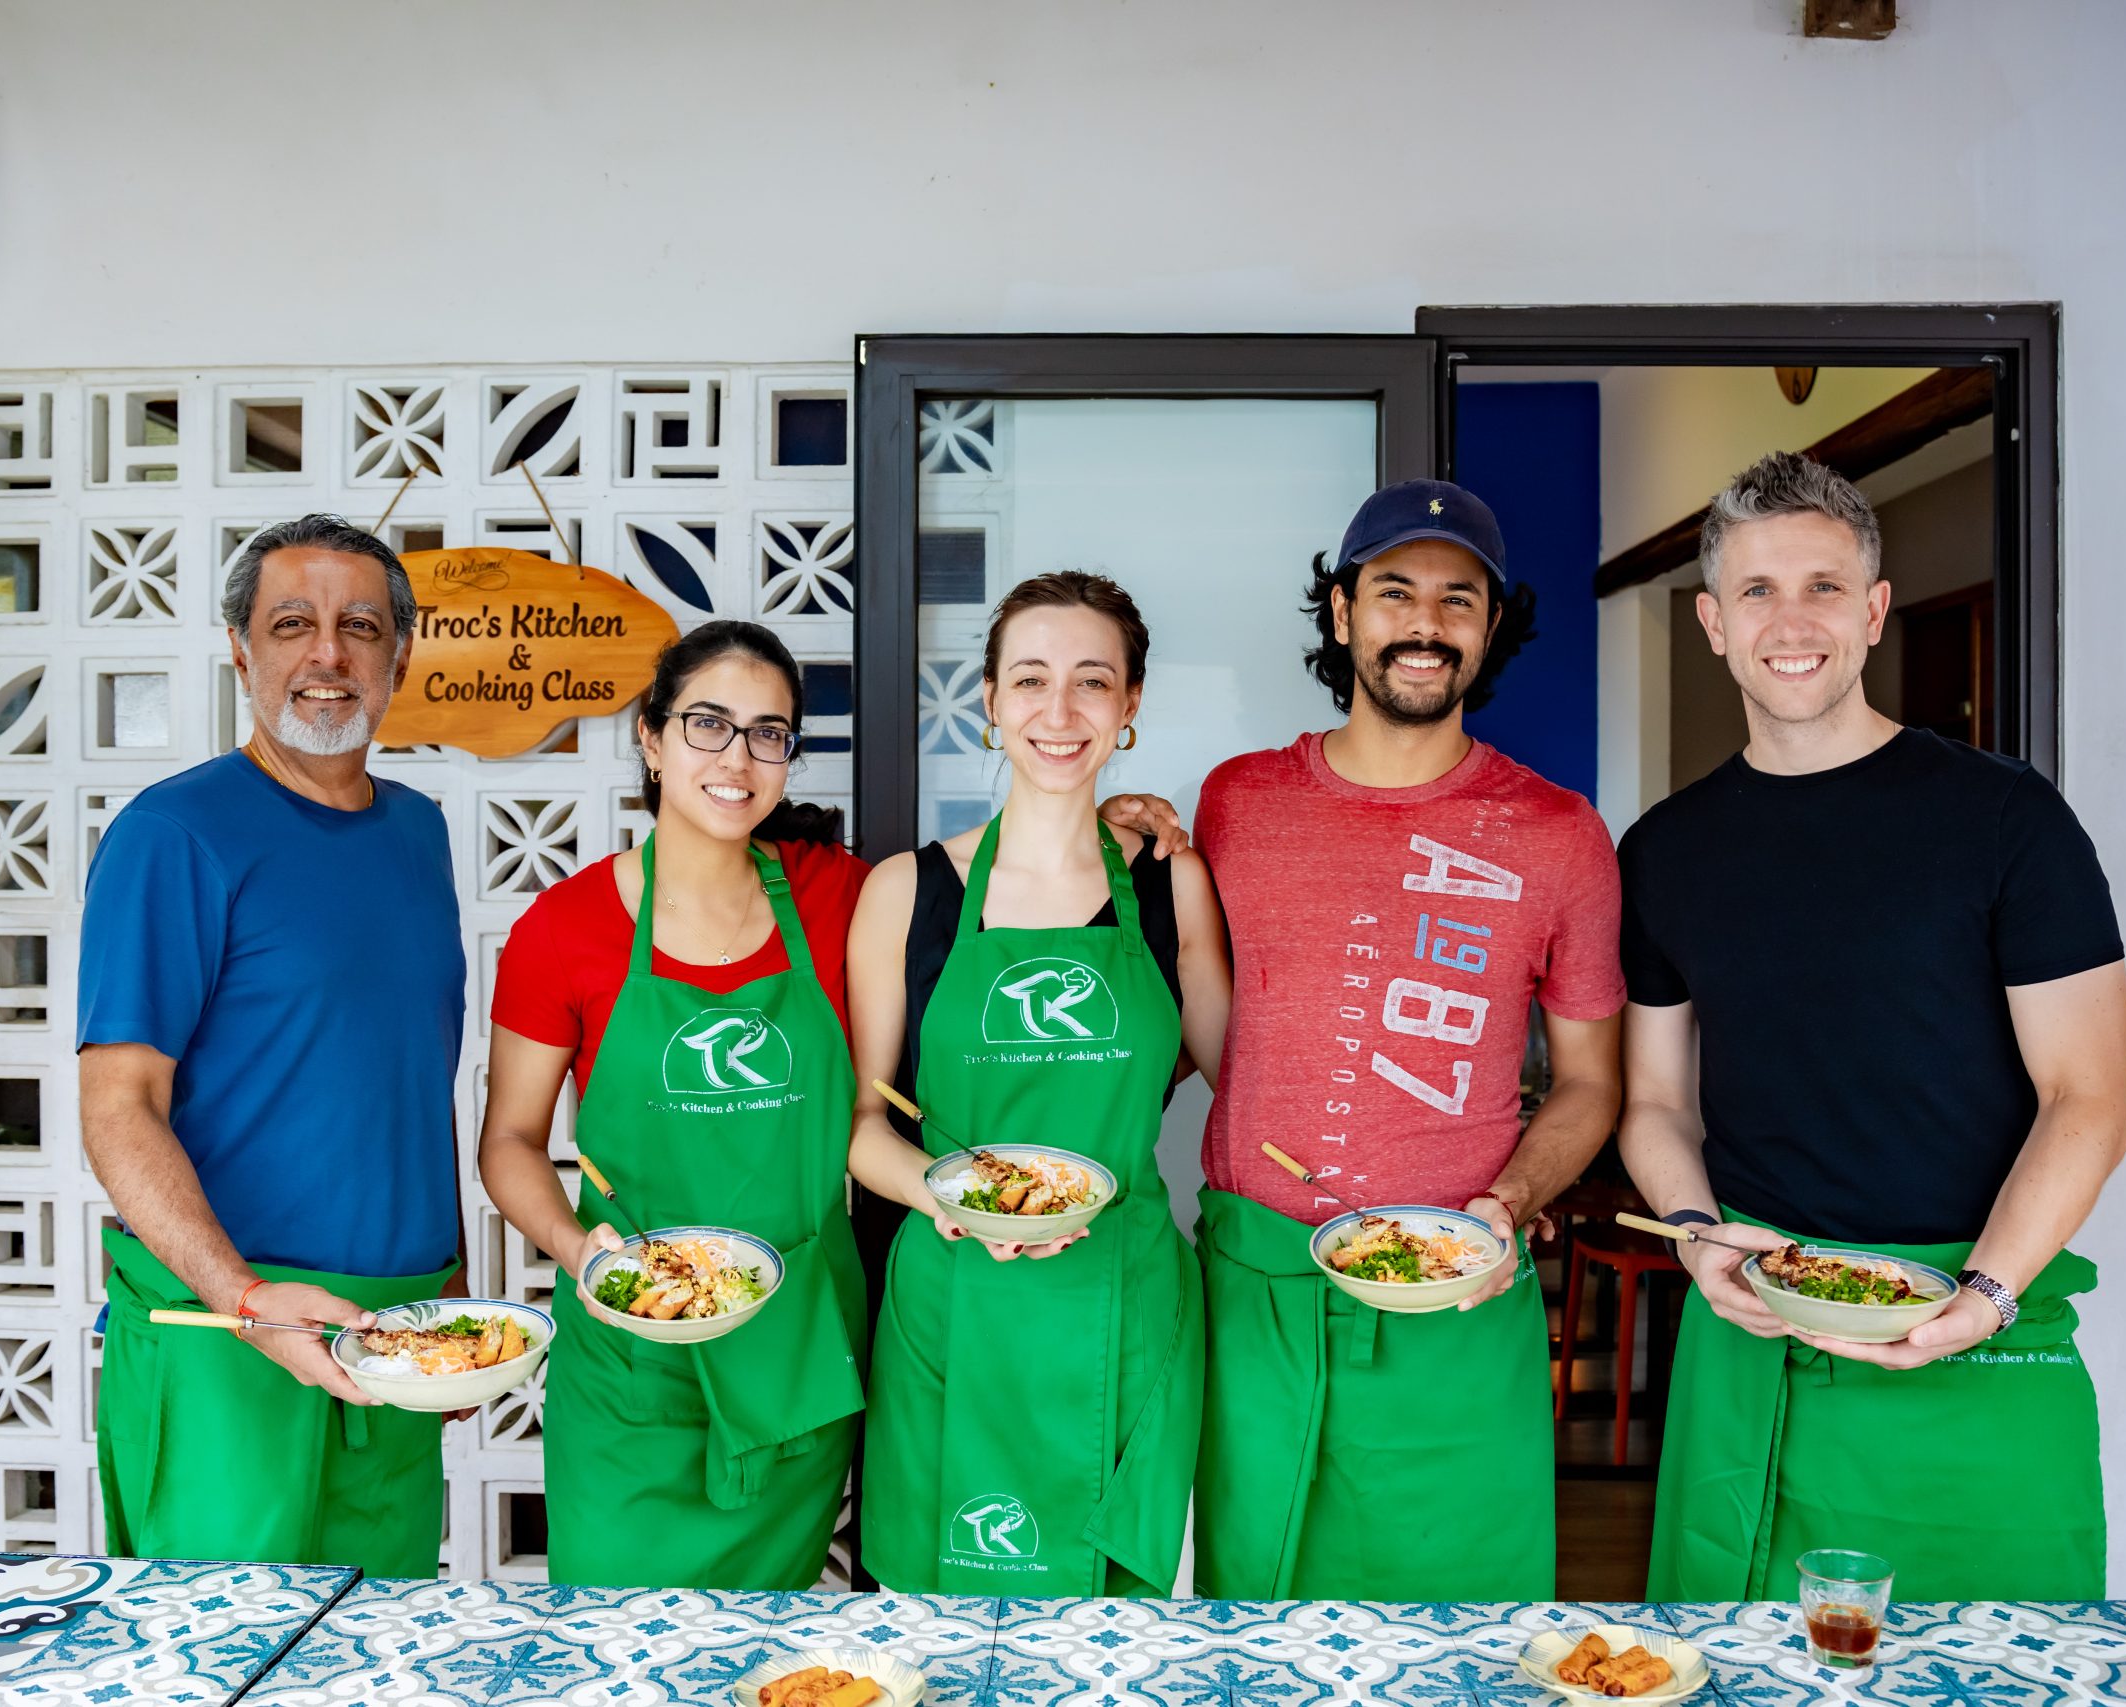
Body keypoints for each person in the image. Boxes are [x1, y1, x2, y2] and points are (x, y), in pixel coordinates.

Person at [1620, 452, 2126, 1601]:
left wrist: (1984, 1296)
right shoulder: (1665, 851)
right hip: (1754, 1340)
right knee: (1727, 1663)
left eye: (1823, 586)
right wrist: (1695, 1234)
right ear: (1712, 621)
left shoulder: (2006, 817)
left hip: (1972, 1335)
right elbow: (1654, 1102)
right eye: (1756, 590)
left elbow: (2088, 1100)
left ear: (1872, 608)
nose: (1790, 621)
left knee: (1999, 1664)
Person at [1189, 479, 1626, 1601]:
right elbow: (1197, 1022)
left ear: (1490, 626)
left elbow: (1590, 1084)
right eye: (1394, 592)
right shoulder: (1236, 803)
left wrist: (1510, 1203)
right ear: (1343, 613)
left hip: (1455, 1294)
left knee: (1462, 1631)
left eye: (1457, 599)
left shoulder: (1561, 834)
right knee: (1253, 1625)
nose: (1425, 623)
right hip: (1255, 1298)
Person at [79, 513, 466, 1576]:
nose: (327, 654)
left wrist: (449, 1295)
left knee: (378, 1642)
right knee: (217, 1649)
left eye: (361, 627)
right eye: (291, 624)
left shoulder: (419, 831)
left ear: (399, 657)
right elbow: (118, 1107)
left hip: (391, 1335)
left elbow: (408, 1078)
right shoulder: (173, 835)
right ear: (241, 652)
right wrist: (245, 1302)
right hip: (226, 1337)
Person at [846, 572, 1231, 1595]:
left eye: (1091, 681)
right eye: (1029, 679)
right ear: (989, 699)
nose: (1059, 711)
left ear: (1130, 704)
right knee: (937, 1619)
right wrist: (943, 1194)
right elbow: (861, 1122)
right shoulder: (907, 891)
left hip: (1126, 1298)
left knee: (1114, 1631)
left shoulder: (1171, 883)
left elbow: (1244, 1074)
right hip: (954, 1297)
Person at [478, 621, 873, 1589]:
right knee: (615, 1644)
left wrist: (1111, 824)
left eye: (768, 733)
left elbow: (999, 884)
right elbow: (510, 1142)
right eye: (707, 724)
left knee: (770, 1651)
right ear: (651, 739)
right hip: (634, 1359)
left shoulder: (842, 897)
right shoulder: (564, 927)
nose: (737, 758)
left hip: (794, 1348)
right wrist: (577, 1250)